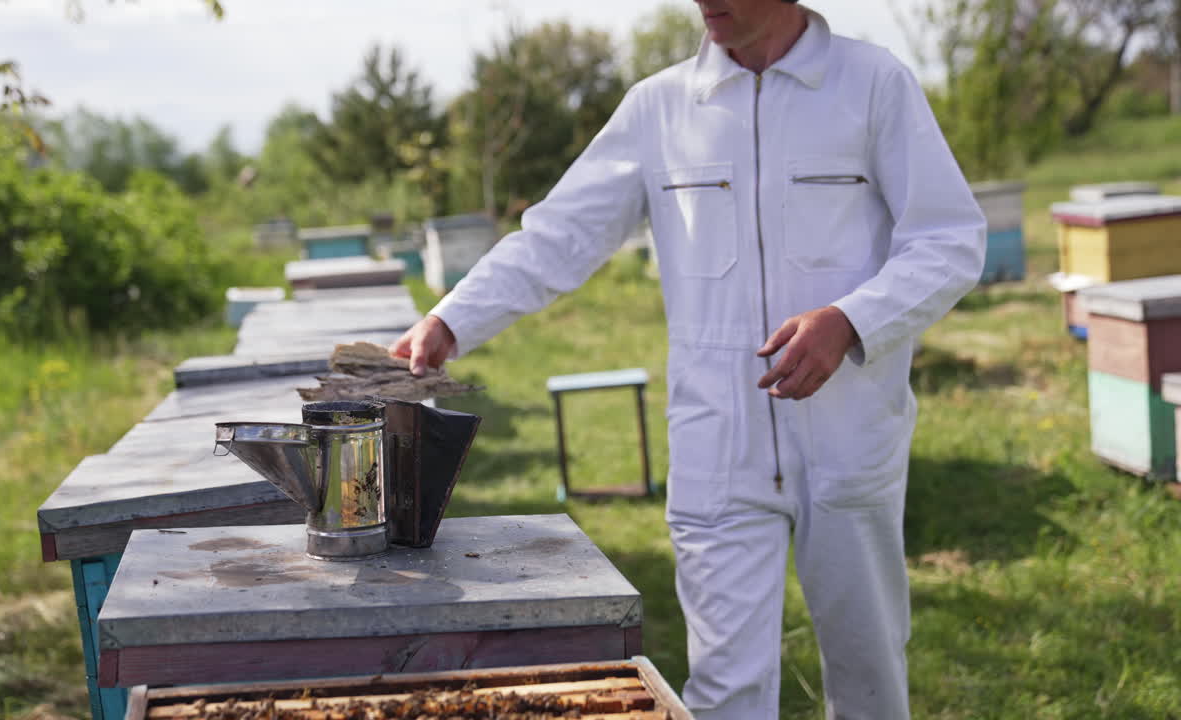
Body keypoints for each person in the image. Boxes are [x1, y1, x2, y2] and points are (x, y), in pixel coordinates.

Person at [390, 1, 986, 717]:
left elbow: (949, 239)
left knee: (868, 675)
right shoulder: (658, 108)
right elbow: (559, 235)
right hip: (716, 442)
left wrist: (850, 322)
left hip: (850, 435)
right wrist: (454, 316)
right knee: (724, 692)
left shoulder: (873, 82)